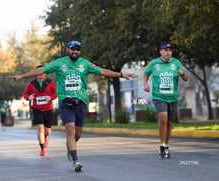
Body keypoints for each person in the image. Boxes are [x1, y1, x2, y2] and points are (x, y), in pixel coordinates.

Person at [8, 40, 135, 172]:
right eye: (72, 49)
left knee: (78, 133)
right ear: (68, 50)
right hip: (65, 102)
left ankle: (70, 145)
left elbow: (102, 71)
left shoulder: (85, 63)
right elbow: (41, 70)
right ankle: (76, 160)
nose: (75, 52)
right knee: (70, 128)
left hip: (81, 102)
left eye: (78, 50)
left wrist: (121, 75)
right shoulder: (59, 63)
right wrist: (22, 76)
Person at [143, 42, 189, 159]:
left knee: (169, 123)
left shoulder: (176, 63)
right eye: (166, 50)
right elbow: (146, 73)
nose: (168, 52)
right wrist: (145, 84)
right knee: (163, 118)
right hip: (159, 96)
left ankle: (167, 145)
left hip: (172, 97)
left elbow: (186, 78)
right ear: (160, 52)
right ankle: (162, 145)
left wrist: (182, 74)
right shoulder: (154, 63)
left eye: (170, 50)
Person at [23, 65, 57, 156]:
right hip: (37, 109)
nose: (40, 75)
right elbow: (25, 94)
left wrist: (51, 97)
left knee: (48, 131)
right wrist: (28, 97)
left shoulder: (50, 83)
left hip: (48, 109)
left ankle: (45, 137)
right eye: (38, 73)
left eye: (41, 73)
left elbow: (56, 93)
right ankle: (42, 149)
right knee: (40, 128)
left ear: (44, 74)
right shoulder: (31, 84)